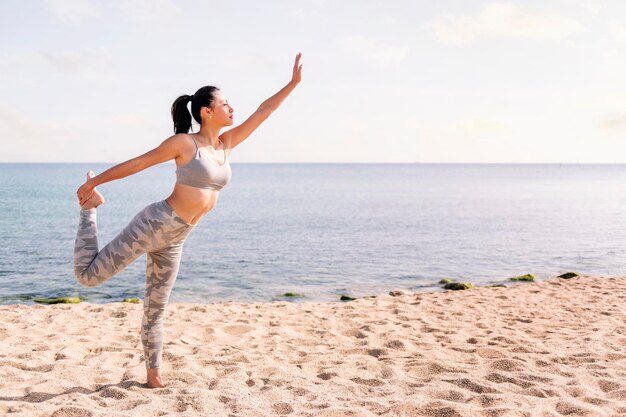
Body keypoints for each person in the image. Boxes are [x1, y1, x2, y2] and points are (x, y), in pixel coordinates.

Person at [74, 53, 303, 388]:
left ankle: (154, 378)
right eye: (226, 104)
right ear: (207, 111)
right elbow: (139, 163)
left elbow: (264, 112)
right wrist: (93, 184)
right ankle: (89, 209)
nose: (232, 108)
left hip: (177, 236)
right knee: (88, 278)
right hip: (153, 224)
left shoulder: (226, 144)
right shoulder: (184, 143)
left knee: (156, 308)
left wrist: (292, 84)